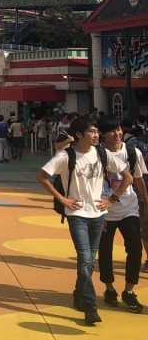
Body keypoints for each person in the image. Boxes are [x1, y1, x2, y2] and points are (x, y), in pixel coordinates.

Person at [36, 115, 132, 326]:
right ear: (79, 134)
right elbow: (42, 176)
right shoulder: (66, 156)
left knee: (88, 261)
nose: (97, 135)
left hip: (98, 215)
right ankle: (90, 306)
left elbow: (128, 177)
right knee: (85, 258)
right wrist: (61, 198)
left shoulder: (102, 154)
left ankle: (79, 294)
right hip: (77, 214)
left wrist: (112, 200)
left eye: (97, 131)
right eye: (92, 132)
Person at [97, 118, 148, 313]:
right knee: (105, 251)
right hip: (103, 210)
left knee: (135, 248)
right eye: (111, 131)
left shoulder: (132, 153)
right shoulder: (96, 154)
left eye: (118, 129)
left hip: (129, 208)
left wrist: (146, 203)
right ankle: (109, 289)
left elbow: (138, 179)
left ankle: (129, 290)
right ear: (102, 134)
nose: (117, 134)